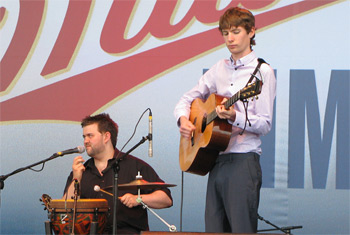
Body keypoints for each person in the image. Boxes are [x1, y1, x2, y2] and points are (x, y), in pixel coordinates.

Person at [174, 7, 276, 234]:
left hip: (243, 161)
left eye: (236, 31)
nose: (230, 38)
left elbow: (265, 124)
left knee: (241, 229)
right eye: (225, 33)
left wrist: (235, 117)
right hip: (216, 159)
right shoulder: (219, 68)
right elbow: (186, 99)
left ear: (251, 32)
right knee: (214, 228)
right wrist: (183, 120)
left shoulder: (263, 72)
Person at [63, 113, 173, 234]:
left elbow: (166, 199)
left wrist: (139, 199)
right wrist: (76, 179)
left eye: (90, 136)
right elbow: (64, 209)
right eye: (84, 137)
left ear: (106, 137)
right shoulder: (80, 171)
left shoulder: (135, 166)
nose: (85, 141)